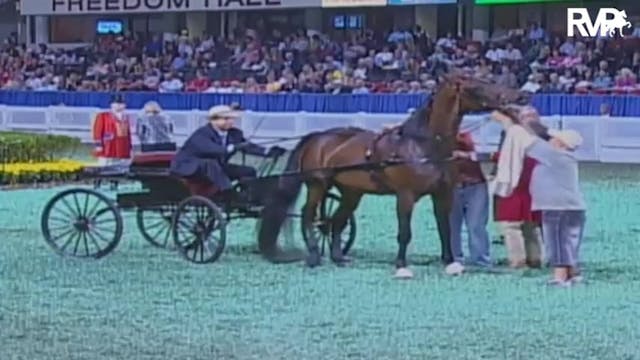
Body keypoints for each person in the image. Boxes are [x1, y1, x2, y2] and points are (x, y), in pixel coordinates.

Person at [491, 108, 586, 287]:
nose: (551, 141)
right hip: (572, 206)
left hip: (557, 206)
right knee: (567, 241)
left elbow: (525, 140)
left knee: (556, 241)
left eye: (555, 139)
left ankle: (560, 277)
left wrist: (507, 122)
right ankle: (573, 274)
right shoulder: (566, 157)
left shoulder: (553, 155)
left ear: (561, 143)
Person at [170, 104, 286, 202]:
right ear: (214, 121)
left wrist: (268, 151)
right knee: (210, 164)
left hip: (216, 168)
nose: (231, 122)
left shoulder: (235, 134)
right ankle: (228, 192)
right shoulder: (201, 134)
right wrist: (232, 148)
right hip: (191, 167)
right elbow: (211, 149)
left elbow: (248, 147)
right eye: (226, 119)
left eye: (231, 119)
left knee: (249, 171)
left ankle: (250, 196)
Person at [493, 106, 544, 269]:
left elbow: (500, 118)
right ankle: (534, 258)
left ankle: (518, 260)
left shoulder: (517, 132)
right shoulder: (544, 135)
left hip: (518, 183)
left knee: (512, 226)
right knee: (530, 225)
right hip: (535, 185)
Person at [449, 132, 492, 269]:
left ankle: (481, 259)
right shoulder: (438, 140)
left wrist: (466, 154)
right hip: (451, 186)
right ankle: (455, 258)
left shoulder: (473, 135)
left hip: (475, 184)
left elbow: (489, 155)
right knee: (452, 225)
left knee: (476, 224)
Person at [92, 94, 132, 167]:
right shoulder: (103, 116)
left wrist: (129, 146)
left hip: (122, 146)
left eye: (121, 104)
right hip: (108, 145)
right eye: (117, 103)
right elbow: (97, 131)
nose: (119, 106)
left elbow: (128, 133)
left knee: (122, 164)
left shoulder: (126, 117)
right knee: (105, 164)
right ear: (111, 105)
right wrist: (98, 145)